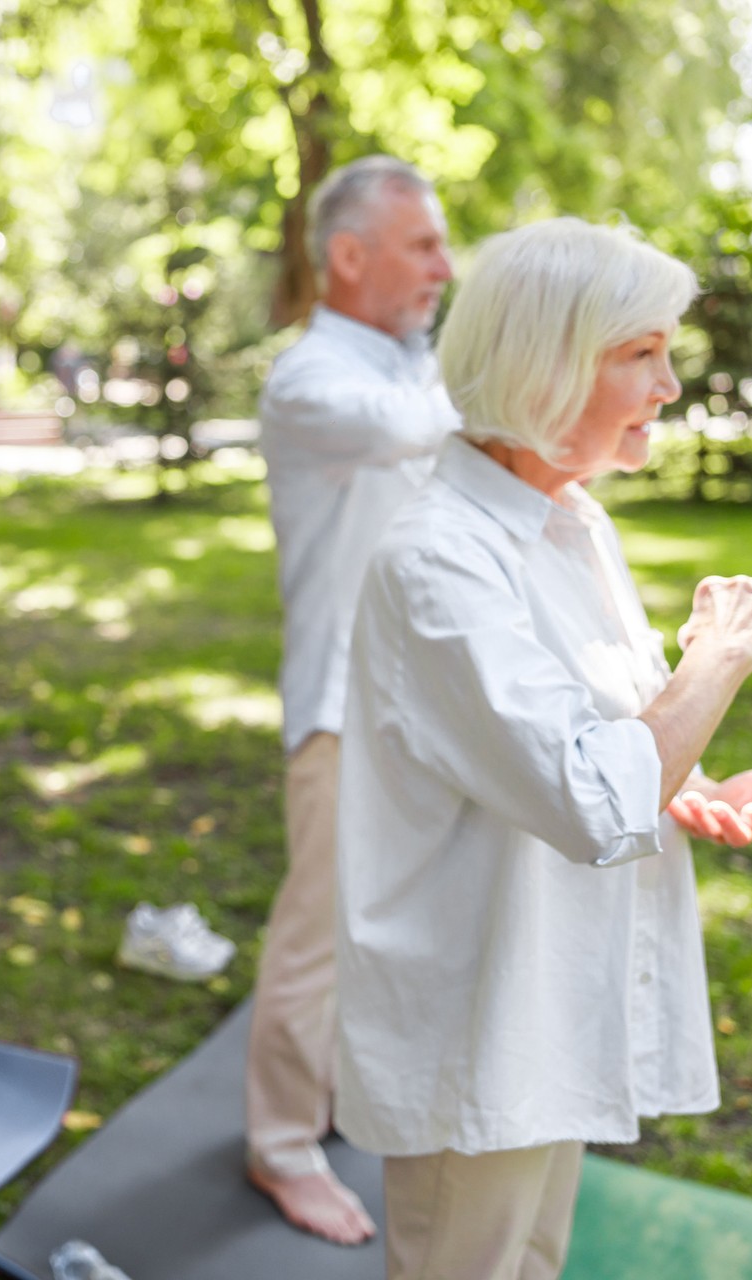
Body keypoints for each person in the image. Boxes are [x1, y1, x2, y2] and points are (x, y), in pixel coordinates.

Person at [333, 218, 752, 1280]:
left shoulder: (571, 518)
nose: (670, 384)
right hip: (480, 1012)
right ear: (545, 364)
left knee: (535, 1262)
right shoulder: (437, 563)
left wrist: (686, 787)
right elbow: (598, 797)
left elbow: (606, 754)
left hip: (553, 993)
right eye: (640, 352)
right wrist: (720, 657)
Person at [244, 154, 459, 1245]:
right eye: (424, 245)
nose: (444, 266)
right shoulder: (312, 378)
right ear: (348, 256)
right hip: (339, 704)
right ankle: (281, 1145)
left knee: (387, 928)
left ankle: (330, 1101)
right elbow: (410, 431)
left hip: (419, 703)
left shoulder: (407, 363)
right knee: (317, 935)